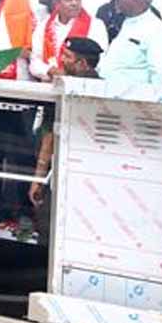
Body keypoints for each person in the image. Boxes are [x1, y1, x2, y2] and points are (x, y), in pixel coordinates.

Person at [28, 37, 103, 211]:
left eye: (68, 56)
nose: (62, 60)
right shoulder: (104, 90)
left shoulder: (64, 92)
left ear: (82, 63)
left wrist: (38, 179)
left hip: (72, 173)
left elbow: (49, 140)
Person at [99, 0, 162, 86]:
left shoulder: (157, 30)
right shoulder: (127, 22)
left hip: (133, 96)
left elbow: (160, 77)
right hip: (108, 92)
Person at [29, 0, 108, 82]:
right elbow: (34, 61)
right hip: (48, 86)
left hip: (82, 85)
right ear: (57, 2)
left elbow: (101, 60)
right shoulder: (43, 26)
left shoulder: (96, 25)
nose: (74, 3)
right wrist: (50, 70)